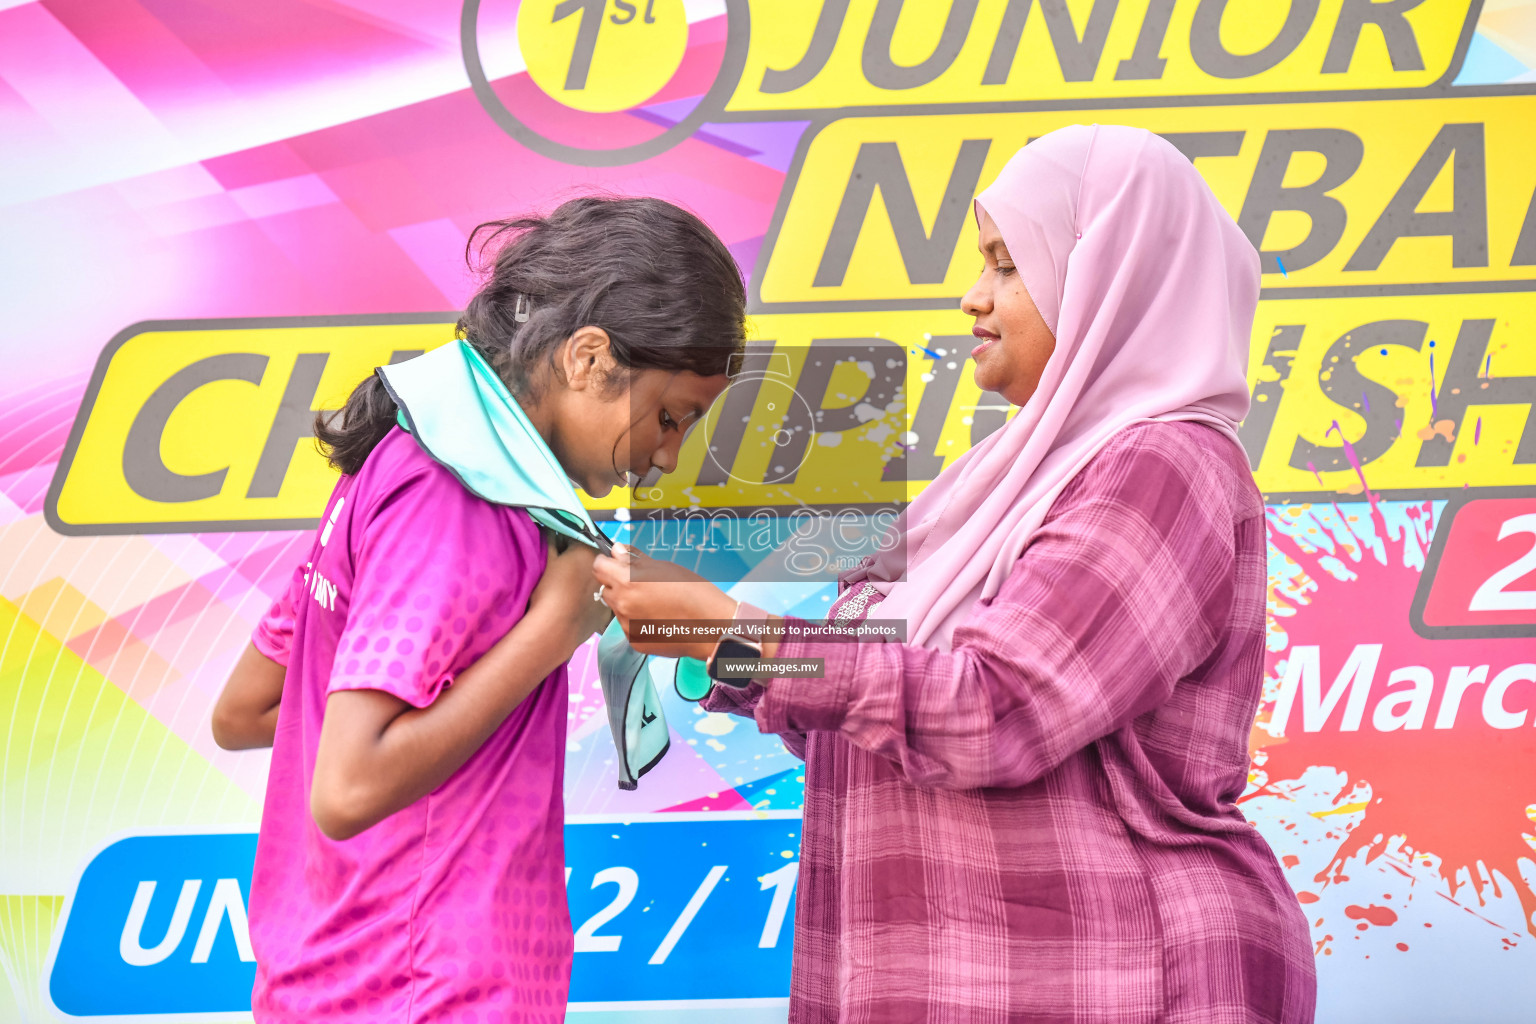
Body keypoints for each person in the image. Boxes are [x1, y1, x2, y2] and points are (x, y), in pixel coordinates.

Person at [593, 126, 1317, 1022]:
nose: (973, 298)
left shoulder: (1165, 464)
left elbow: (991, 707)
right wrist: (711, 643)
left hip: (1115, 978)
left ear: (1110, 274)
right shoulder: (980, 493)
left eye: (1009, 265)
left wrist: (738, 635)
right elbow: (862, 715)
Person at [211, 195, 745, 1023]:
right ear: (590, 358)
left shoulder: (401, 458)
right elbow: (348, 788)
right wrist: (551, 634)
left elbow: (249, 711)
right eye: (670, 417)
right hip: (423, 985)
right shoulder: (461, 499)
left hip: (336, 974)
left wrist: (714, 628)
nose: (668, 457)